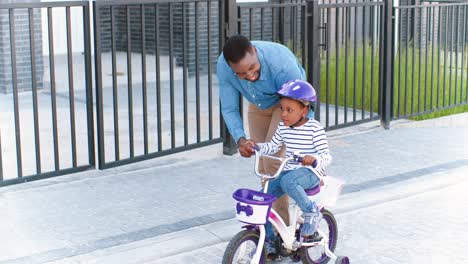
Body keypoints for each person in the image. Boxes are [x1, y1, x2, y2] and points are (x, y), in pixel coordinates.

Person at [217, 35, 310, 224]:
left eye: (252, 68)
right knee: (261, 164)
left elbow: (302, 102)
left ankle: (282, 227)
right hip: (258, 104)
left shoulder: (281, 62)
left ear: (254, 50)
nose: (249, 76)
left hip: (288, 103)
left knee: (272, 161)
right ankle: (272, 219)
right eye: (241, 74)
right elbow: (229, 108)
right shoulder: (224, 67)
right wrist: (240, 139)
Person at [245, 80, 332, 258]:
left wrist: (313, 159)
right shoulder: (283, 127)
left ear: (304, 110)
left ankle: (311, 211)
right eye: (282, 109)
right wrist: (257, 147)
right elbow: (272, 146)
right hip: (289, 171)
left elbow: (326, 156)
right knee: (262, 200)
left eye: (289, 110)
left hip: (311, 173)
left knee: (287, 180)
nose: (283, 114)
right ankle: (269, 242)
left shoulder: (314, 128)